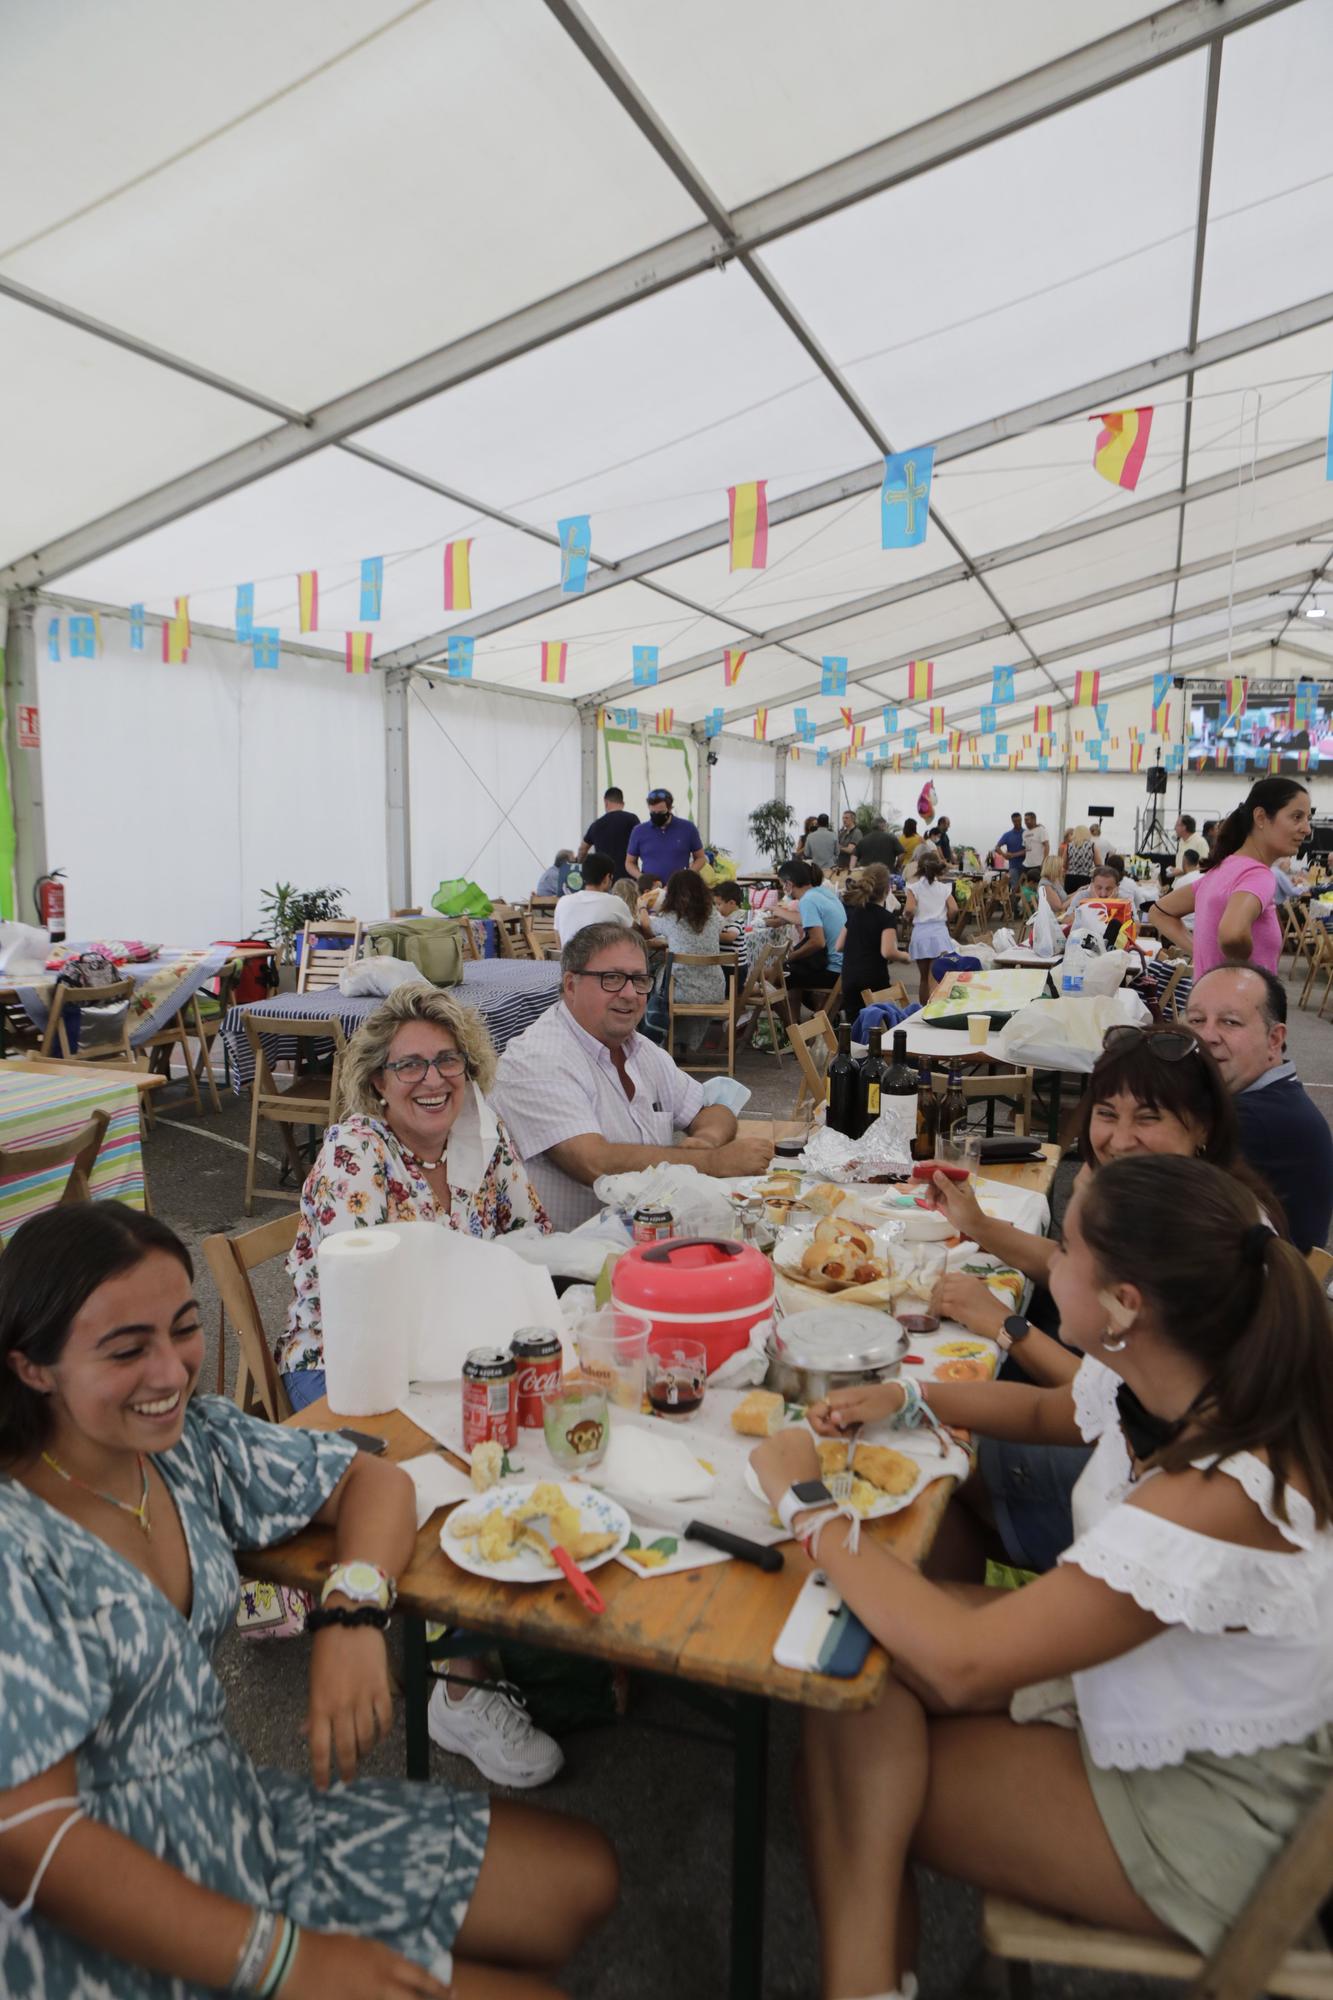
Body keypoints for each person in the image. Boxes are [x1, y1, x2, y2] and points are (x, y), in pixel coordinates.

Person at [0, 1204, 617, 2000]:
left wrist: (353, 1614)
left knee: (581, 1877)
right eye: (127, 1349)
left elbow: (373, 1480)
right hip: (97, 1922)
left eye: (184, 1328)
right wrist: (286, 1963)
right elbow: (28, 1842)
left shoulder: (189, 1445)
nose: (172, 1371)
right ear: (32, 1368)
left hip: (235, 1821)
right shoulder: (16, 1542)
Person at [752, 1156, 1333, 1998]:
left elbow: (960, 1656)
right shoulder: (1191, 1372)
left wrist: (802, 1500)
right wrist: (907, 1401)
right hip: (1167, 1693)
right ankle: (866, 1982)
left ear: (1124, 1304)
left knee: (852, 1741)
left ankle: (861, 1981)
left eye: (1062, 1250)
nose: (1046, 1266)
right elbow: (1044, 1410)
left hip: (1225, 1810)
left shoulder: (1217, 1492)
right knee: (850, 1669)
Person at [278, 990, 561, 1784]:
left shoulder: (482, 1138)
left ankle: (513, 1625)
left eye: (448, 1062)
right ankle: (461, 1689)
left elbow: (526, 1243)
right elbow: (363, 1307)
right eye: (409, 1064)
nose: (432, 1079)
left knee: (532, 1427)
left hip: (458, 1350)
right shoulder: (354, 1152)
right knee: (445, 1465)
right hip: (348, 1365)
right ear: (377, 1082)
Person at [923, 1022, 1280, 1576]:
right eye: (1107, 1114)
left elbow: (1092, 1406)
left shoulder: (1194, 1245)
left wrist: (1004, 1325)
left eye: (1149, 1117)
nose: (1118, 1138)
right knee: (937, 1462)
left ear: (1202, 1127)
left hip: (1142, 1490)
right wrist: (978, 1226)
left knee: (935, 1471)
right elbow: (1066, 1270)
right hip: (1121, 1455)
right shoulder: (1195, 1199)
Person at [492, 923, 770, 1231]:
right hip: (562, 1264)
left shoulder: (640, 1049)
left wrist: (706, 1140)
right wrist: (713, 1163)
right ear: (570, 985)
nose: (629, 994)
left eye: (639, 980)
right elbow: (592, 1162)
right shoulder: (538, 1058)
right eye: (611, 978)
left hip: (638, 1244)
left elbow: (714, 1111)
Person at [1184, 963, 1333, 1254]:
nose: (1207, 1035)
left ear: (1274, 1039)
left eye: (1230, 1022)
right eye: (1196, 1020)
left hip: (1256, 1289)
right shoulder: (1273, 1098)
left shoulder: (1252, 1120)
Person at [1152, 778, 1312, 976]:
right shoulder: (1258, 875)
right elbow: (1232, 933)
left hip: (1207, 999)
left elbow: (1159, 912)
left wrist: (1204, 954)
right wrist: (1245, 972)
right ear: (1261, 817)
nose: (1307, 829)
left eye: (1308, 818)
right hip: (1245, 1003)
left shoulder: (1220, 871)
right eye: (1297, 817)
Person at [641, 868, 725, 1048]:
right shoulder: (714, 916)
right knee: (674, 973)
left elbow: (647, 927)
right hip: (714, 990)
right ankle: (686, 1043)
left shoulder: (671, 917)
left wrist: (641, 906)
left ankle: (656, 1040)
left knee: (658, 974)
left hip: (681, 992)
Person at [836, 865, 909, 1007]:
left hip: (849, 977)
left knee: (855, 1024)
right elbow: (887, 951)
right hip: (873, 979)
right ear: (888, 890)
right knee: (877, 1023)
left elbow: (839, 946)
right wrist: (904, 956)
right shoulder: (886, 918)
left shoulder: (855, 913)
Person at [775, 859, 846, 993]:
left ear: (789, 884)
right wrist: (783, 919)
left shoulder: (808, 900)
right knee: (788, 973)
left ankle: (786, 1014)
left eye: (782, 885)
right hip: (845, 967)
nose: (782, 889)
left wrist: (792, 956)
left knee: (770, 974)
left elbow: (818, 942)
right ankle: (792, 1015)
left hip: (831, 971)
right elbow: (810, 920)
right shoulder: (823, 893)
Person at [904, 851, 956, 1002]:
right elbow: (954, 909)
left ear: (919, 868)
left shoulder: (913, 888)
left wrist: (908, 917)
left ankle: (922, 1011)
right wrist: (946, 920)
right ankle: (933, 1009)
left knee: (923, 979)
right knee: (935, 977)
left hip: (920, 934)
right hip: (939, 933)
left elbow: (909, 909)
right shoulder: (944, 888)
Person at [552, 851, 633, 948]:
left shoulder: (563, 902)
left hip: (569, 961)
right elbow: (633, 934)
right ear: (607, 878)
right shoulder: (615, 902)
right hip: (605, 962)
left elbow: (558, 938)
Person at [624, 788, 704, 882]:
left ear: (670, 809)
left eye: (661, 812)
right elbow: (629, 862)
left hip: (680, 889)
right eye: (653, 813)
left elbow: (701, 858)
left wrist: (686, 876)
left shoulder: (688, 828)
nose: (657, 815)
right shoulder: (639, 831)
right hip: (651, 890)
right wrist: (642, 877)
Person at [577, 785, 638, 877]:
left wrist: (580, 863)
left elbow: (582, 849)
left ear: (606, 802)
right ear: (623, 803)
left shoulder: (596, 824)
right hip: (628, 878)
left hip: (603, 879)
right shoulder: (632, 819)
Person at [1166, 813, 1206, 882]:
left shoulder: (1200, 842)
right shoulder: (1182, 841)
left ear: (1184, 827)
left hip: (1190, 886)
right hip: (1178, 883)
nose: (1174, 828)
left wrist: (1182, 871)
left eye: (1177, 825)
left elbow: (1204, 867)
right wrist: (1176, 869)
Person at [1062, 824, 1097, 893]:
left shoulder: (1069, 846)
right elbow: (1098, 865)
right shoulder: (1092, 845)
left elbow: (1064, 864)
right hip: (1085, 878)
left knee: (1070, 900)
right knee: (1083, 900)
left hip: (1070, 878)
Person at [995, 812, 1025, 890]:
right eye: (1015, 821)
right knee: (1014, 887)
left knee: (1024, 889)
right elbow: (997, 847)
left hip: (1026, 866)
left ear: (1021, 820)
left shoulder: (1026, 833)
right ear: (1012, 821)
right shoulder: (1008, 835)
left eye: (1019, 820)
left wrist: (1013, 855)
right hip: (1013, 867)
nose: (1018, 823)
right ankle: (1014, 902)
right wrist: (1004, 854)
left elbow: (1028, 850)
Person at [1021, 810, 1049, 878]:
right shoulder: (1024, 833)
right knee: (1025, 885)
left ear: (1034, 819)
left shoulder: (1041, 830)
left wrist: (1044, 862)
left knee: (1037, 885)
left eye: (1027, 820)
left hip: (1038, 864)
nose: (1025, 822)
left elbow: (1047, 846)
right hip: (1026, 864)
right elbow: (1025, 849)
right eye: (1024, 820)